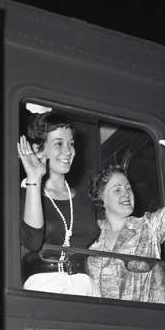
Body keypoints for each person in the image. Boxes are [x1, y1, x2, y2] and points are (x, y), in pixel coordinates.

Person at [87, 137, 165, 304]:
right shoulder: (93, 252)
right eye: (117, 190)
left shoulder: (147, 227)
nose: (126, 194)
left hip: (153, 319)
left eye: (128, 188)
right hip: (114, 320)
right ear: (101, 199)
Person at [17, 111, 100, 296]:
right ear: (38, 150)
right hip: (46, 287)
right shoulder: (26, 195)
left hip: (86, 287)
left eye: (71, 143)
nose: (68, 151)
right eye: (58, 143)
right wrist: (34, 177)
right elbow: (33, 241)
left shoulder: (85, 199)